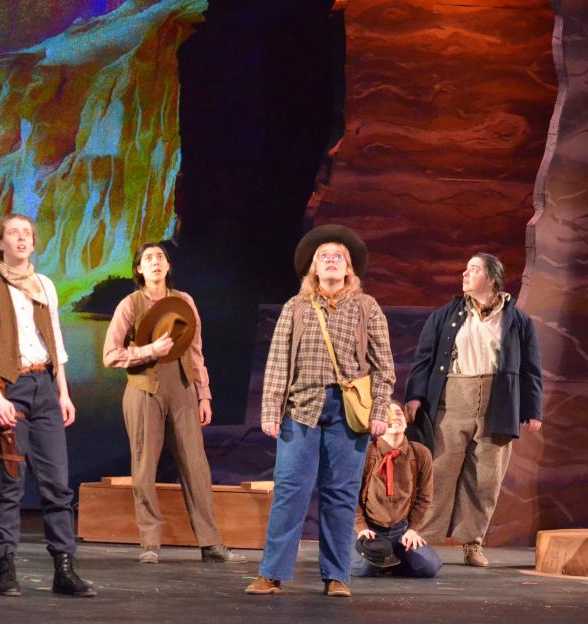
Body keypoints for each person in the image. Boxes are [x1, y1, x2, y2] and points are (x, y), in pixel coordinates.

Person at [245, 224, 395, 598]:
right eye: (323, 256)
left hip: (349, 412)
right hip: (301, 409)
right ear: (313, 269)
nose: (331, 261)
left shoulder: (366, 307)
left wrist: (379, 410)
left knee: (341, 494)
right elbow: (278, 361)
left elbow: (384, 366)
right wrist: (270, 409)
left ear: (349, 269)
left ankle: (336, 576)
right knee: (290, 491)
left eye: (338, 257)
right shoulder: (295, 307)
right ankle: (272, 574)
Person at [0, 213, 95, 598]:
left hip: (45, 386)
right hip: (10, 386)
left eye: (27, 234)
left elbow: (56, 342)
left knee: (57, 484)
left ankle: (64, 568)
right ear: (0, 243)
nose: (21, 239)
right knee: (11, 484)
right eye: (13, 233)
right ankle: (7, 566)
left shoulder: (45, 286)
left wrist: (63, 392)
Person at [102, 242, 245, 564]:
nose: (155, 263)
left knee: (196, 466)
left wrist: (204, 394)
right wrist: (147, 351)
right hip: (144, 389)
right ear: (138, 269)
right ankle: (150, 542)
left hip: (181, 388)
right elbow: (110, 355)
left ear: (168, 266)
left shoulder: (184, 302)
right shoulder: (131, 303)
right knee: (144, 466)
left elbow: (196, 351)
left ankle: (211, 543)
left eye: (160, 258)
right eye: (148, 259)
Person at [403, 253, 543, 567]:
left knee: (485, 478)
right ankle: (425, 539)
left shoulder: (517, 320)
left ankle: (472, 543)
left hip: (499, 404)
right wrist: (415, 396)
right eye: (465, 268)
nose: (465, 273)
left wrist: (533, 408)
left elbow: (531, 368)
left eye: (473, 269)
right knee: (439, 472)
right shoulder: (446, 315)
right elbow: (423, 359)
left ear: (492, 278)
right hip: (452, 400)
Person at [352, 401, 442, 578]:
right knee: (362, 569)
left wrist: (413, 529)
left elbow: (424, 497)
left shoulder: (420, 453)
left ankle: (394, 556)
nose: (395, 418)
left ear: (407, 420)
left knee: (428, 567)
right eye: (387, 414)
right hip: (371, 529)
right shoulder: (366, 453)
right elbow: (350, 496)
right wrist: (361, 528)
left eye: (399, 413)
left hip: (401, 529)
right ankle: (381, 557)